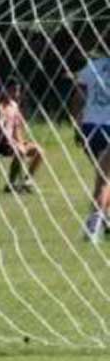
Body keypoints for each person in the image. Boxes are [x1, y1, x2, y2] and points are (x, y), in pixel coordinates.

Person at [70, 56, 110, 239]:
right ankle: (92, 228)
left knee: (104, 177)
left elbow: (77, 97)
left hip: (91, 127)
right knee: (103, 181)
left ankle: (105, 219)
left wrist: (77, 127)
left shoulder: (92, 66)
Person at [0, 80, 44, 193]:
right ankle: (11, 183)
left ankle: (27, 181)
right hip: (0, 143)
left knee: (39, 151)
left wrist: (20, 141)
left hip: (14, 142)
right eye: (13, 90)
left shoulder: (14, 106)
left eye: (17, 90)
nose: (16, 93)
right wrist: (12, 142)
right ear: (5, 90)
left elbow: (17, 127)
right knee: (20, 151)